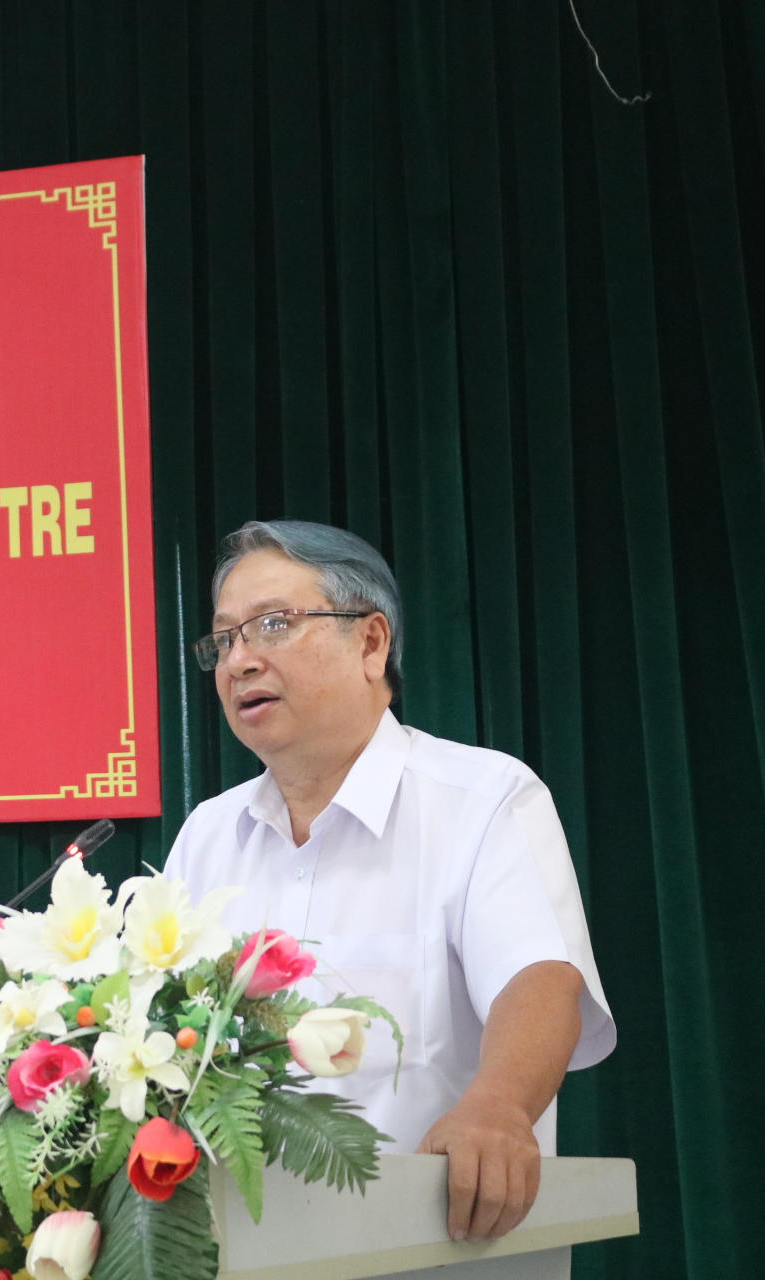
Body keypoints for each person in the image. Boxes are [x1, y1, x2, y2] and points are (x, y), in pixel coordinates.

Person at [163, 520, 614, 1245]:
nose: (240, 660)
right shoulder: (207, 837)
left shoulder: (482, 798)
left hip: (433, 1244)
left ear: (371, 643)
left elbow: (540, 977)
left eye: (272, 624)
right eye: (224, 639)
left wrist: (498, 1106)